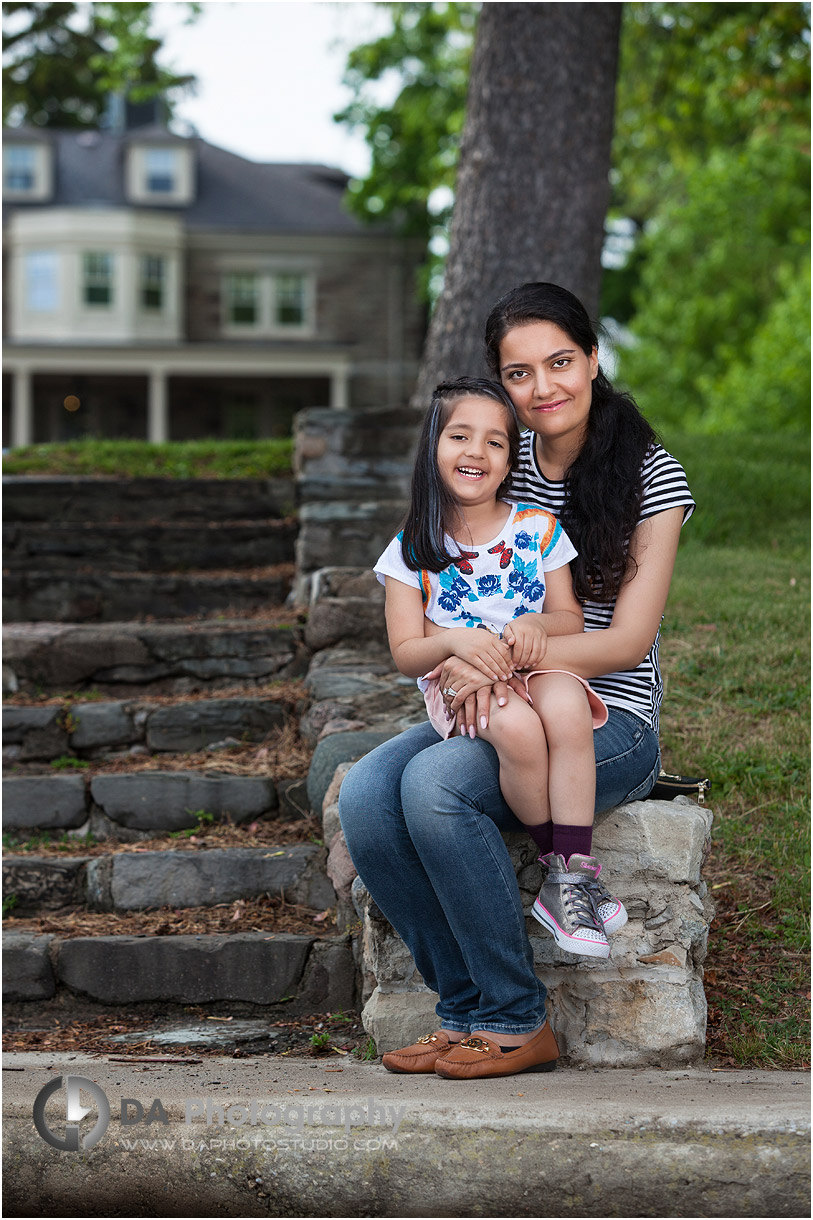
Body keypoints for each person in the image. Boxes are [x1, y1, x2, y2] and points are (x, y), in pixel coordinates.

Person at [339, 282, 695, 1080]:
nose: (544, 388)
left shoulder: (651, 477)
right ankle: (464, 1009)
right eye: (519, 373)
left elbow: (627, 639)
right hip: (491, 696)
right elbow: (445, 589)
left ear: (594, 358)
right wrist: (458, 652)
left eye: (561, 362)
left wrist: (496, 656)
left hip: (603, 719)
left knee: (435, 786)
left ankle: (513, 1016)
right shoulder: (497, 453)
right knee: (365, 795)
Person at [373, 376, 621, 960]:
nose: (476, 453)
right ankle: (554, 862)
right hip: (461, 682)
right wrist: (457, 642)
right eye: (460, 436)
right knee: (516, 730)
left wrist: (535, 627)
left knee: (564, 711)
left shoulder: (537, 530)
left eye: (495, 442)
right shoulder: (412, 549)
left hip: (536, 666)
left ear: (511, 459)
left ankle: (575, 872)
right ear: (432, 446)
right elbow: (407, 650)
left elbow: (569, 618)